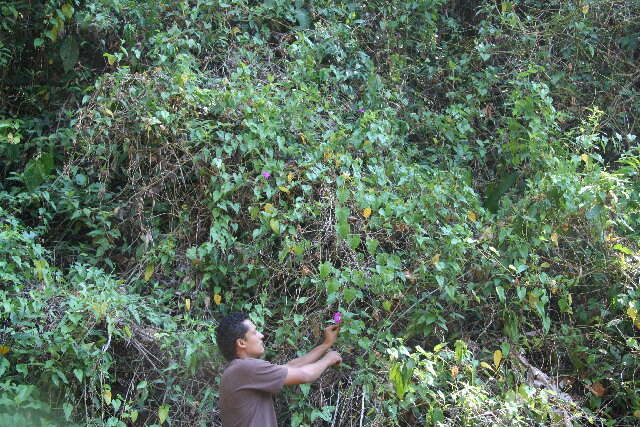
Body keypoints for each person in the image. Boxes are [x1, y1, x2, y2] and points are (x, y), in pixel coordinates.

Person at [215, 312, 342, 427]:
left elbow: (291, 367)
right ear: (241, 343)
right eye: (254, 332)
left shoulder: (237, 370)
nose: (261, 335)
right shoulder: (245, 368)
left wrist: (326, 344)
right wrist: (328, 359)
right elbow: (304, 375)